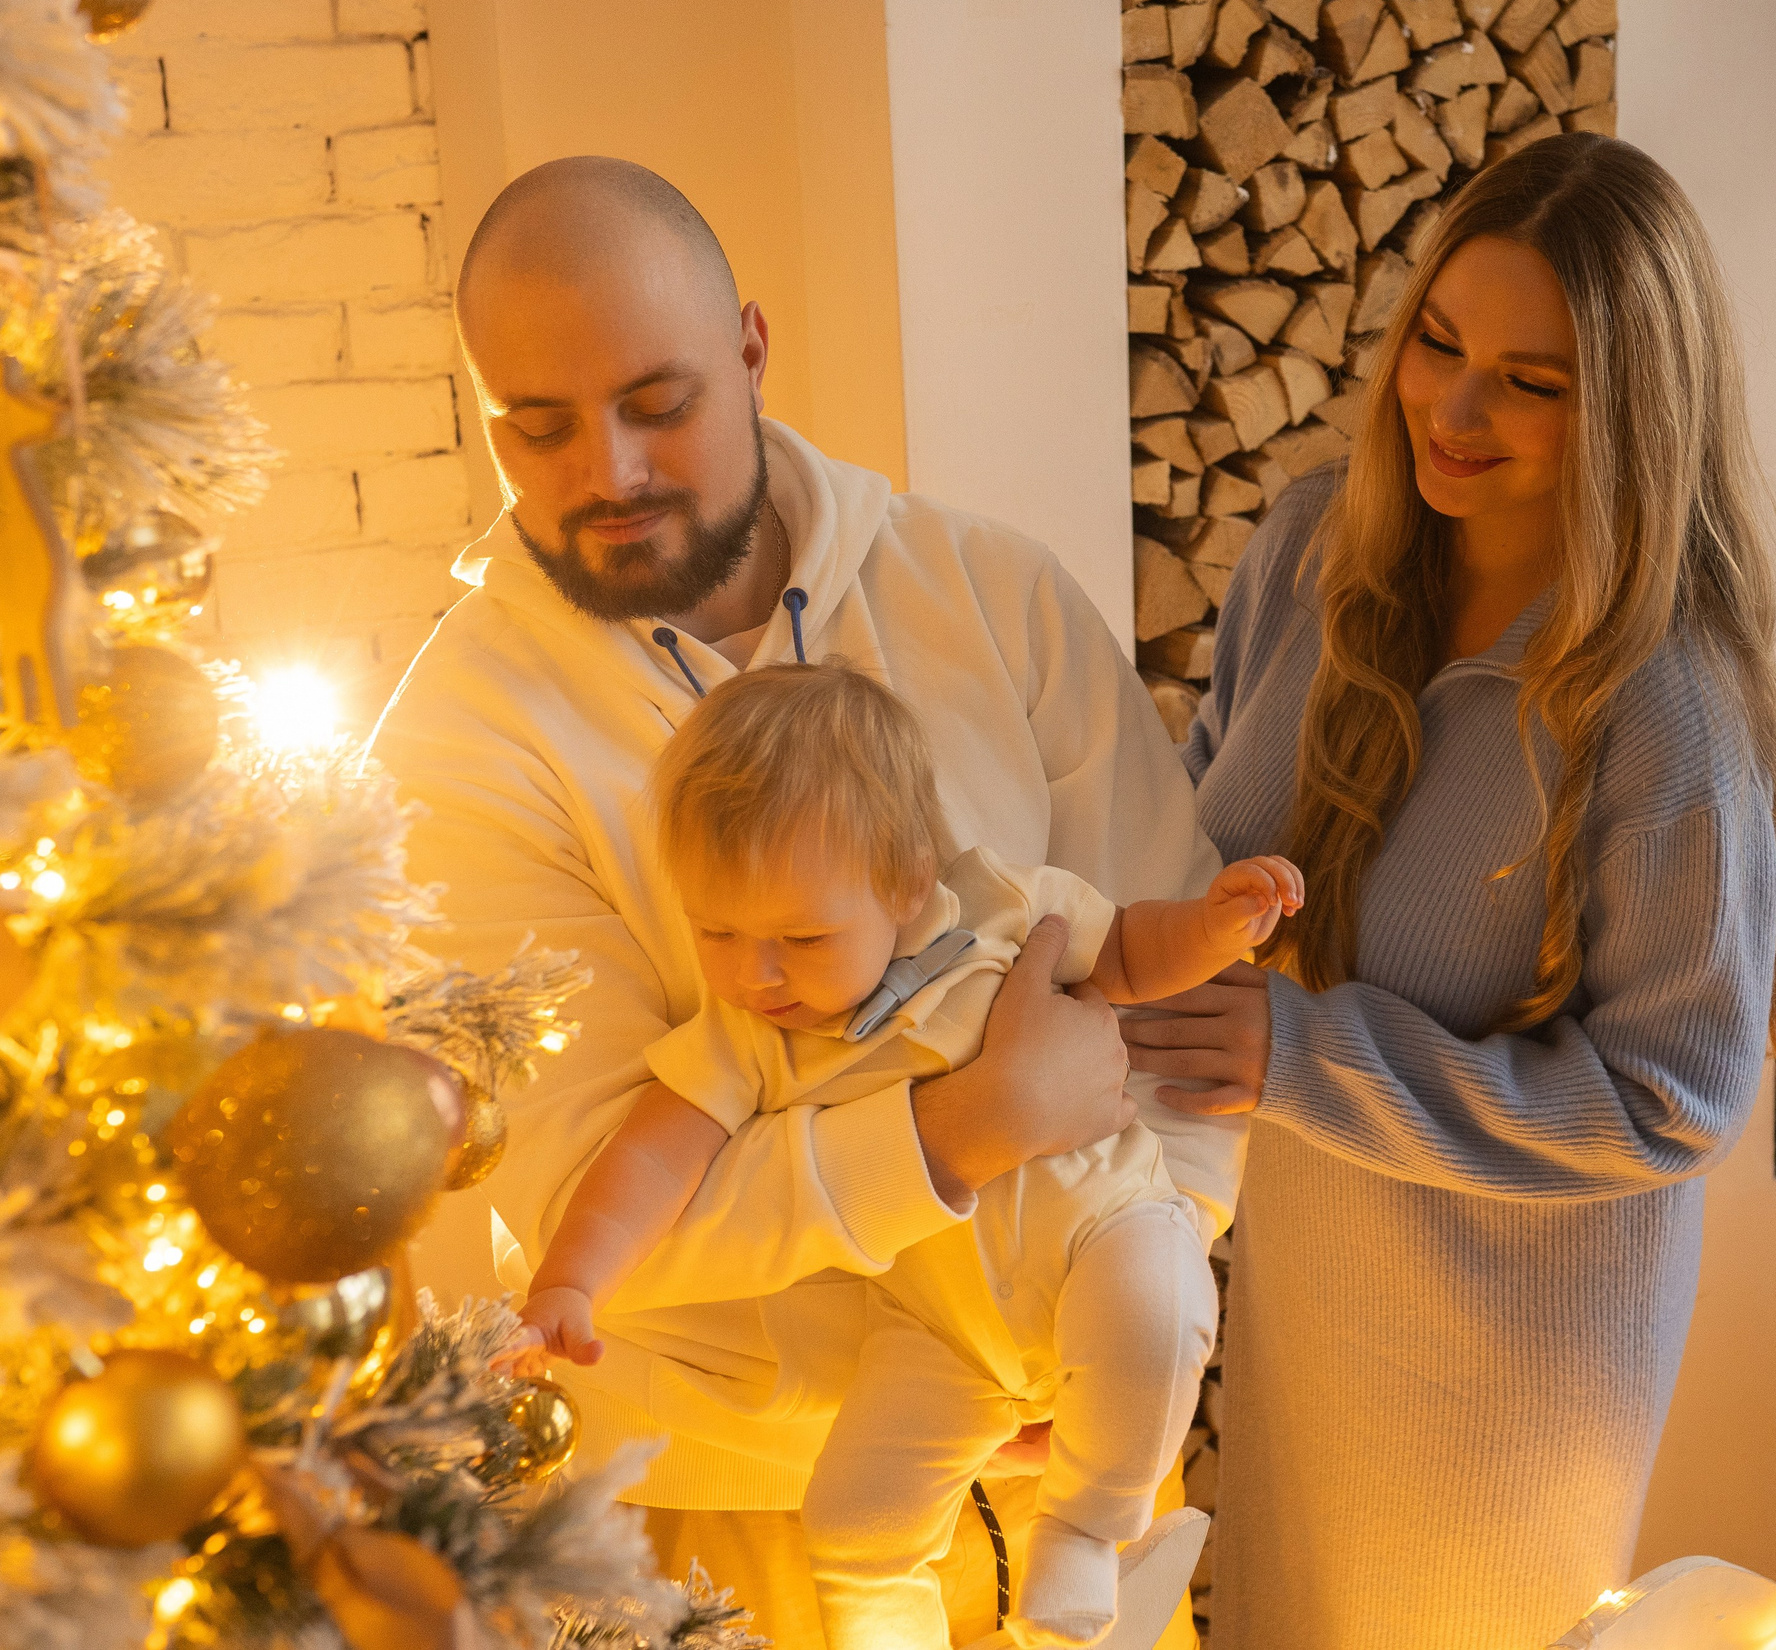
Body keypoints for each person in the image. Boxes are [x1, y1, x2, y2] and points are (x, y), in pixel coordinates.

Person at [371, 157, 1225, 1648]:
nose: (610, 472)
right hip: (729, 1511)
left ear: (752, 349)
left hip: (1058, 1464)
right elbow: (596, 1201)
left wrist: (1103, 1316)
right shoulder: (455, 746)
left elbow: (1188, 1005)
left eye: (660, 401)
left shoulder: (991, 591)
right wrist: (955, 1136)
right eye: (541, 425)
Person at [1119, 133, 1776, 1648]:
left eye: (1533, 381)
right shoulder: (1311, 550)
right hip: (1311, 1284)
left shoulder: (1667, 705)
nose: (1453, 406)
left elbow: (1674, 1096)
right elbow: (1194, 821)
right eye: (1438, 342)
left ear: (1633, 412)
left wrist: (1300, 1053)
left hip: (1518, 1361)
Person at [494, 662, 1291, 1648]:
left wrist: (1216, 925)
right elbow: (653, 1161)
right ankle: (886, 1625)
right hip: (935, 1325)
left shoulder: (1002, 910)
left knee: (1155, 1314)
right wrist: (571, 1277)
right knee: (858, 1518)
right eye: (718, 932)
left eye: (802, 935)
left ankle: (1085, 1536)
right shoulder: (747, 1037)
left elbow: (1130, 952)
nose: (757, 971)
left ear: (908, 881)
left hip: (1105, 1225)